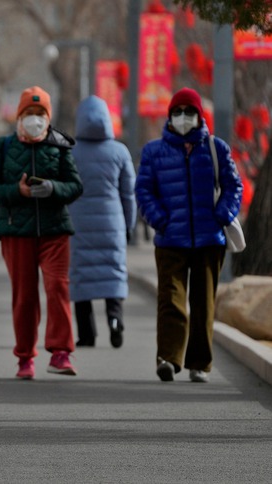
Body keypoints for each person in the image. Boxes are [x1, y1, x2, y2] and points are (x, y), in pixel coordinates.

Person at [135, 87, 242, 383]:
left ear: (199, 116)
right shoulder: (154, 151)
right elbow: (143, 190)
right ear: (170, 116)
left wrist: (221, 215)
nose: (183, 117)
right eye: (178, 112)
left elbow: (234, 186)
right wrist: (159, 219)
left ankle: (200, 364)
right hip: (170, 240)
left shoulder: (215, 148)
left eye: (189, 112)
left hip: (209, 240)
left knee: (204, 303)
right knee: (170, 300)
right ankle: (168, 358)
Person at [0, 86, 83, 380]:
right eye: (29, 113)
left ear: (48, 118)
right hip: (16, 231)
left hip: (55, 230)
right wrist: (18, 191)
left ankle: (61, 353)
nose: (35, 119)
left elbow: (75, 186)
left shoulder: (61, 146)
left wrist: (53, 188)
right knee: (24, 296)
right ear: (19, 117)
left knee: (57, 288)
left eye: (41, 114)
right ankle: (25, 357)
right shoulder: (3, 146)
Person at [68, 96, 137, 348]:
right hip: (113, 223)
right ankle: (115, 321)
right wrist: (128, 226)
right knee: (113, 274)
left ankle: (87, 334)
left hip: (78, 224)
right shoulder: (120, 151)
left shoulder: (71, 152)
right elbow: (129, 194)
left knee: (80, 276)